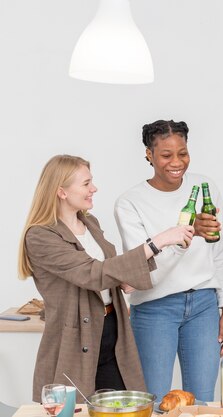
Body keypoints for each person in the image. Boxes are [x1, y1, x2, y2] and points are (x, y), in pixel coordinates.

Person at [17, 154, 193, 401]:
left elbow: (106, 266)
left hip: (113, 330)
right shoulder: (41, 236)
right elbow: (92, 274)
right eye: (86, 183)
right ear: (62, 192)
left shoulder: (90, 223)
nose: (94, 189)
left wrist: (122, 280)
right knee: (76, 409)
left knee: (124, 408)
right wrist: (158, 241)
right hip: (76, 339)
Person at [114, 120, 223, 402]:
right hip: (155, 307)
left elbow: (218, 249)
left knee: (202, 400)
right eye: (166, 155)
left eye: (183, 153)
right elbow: (143, 273)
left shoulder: (204, 187)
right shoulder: (130, 202)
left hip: (204, 305)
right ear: (149, 154)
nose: (177, 162)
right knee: (154, 401)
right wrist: (183, 237)